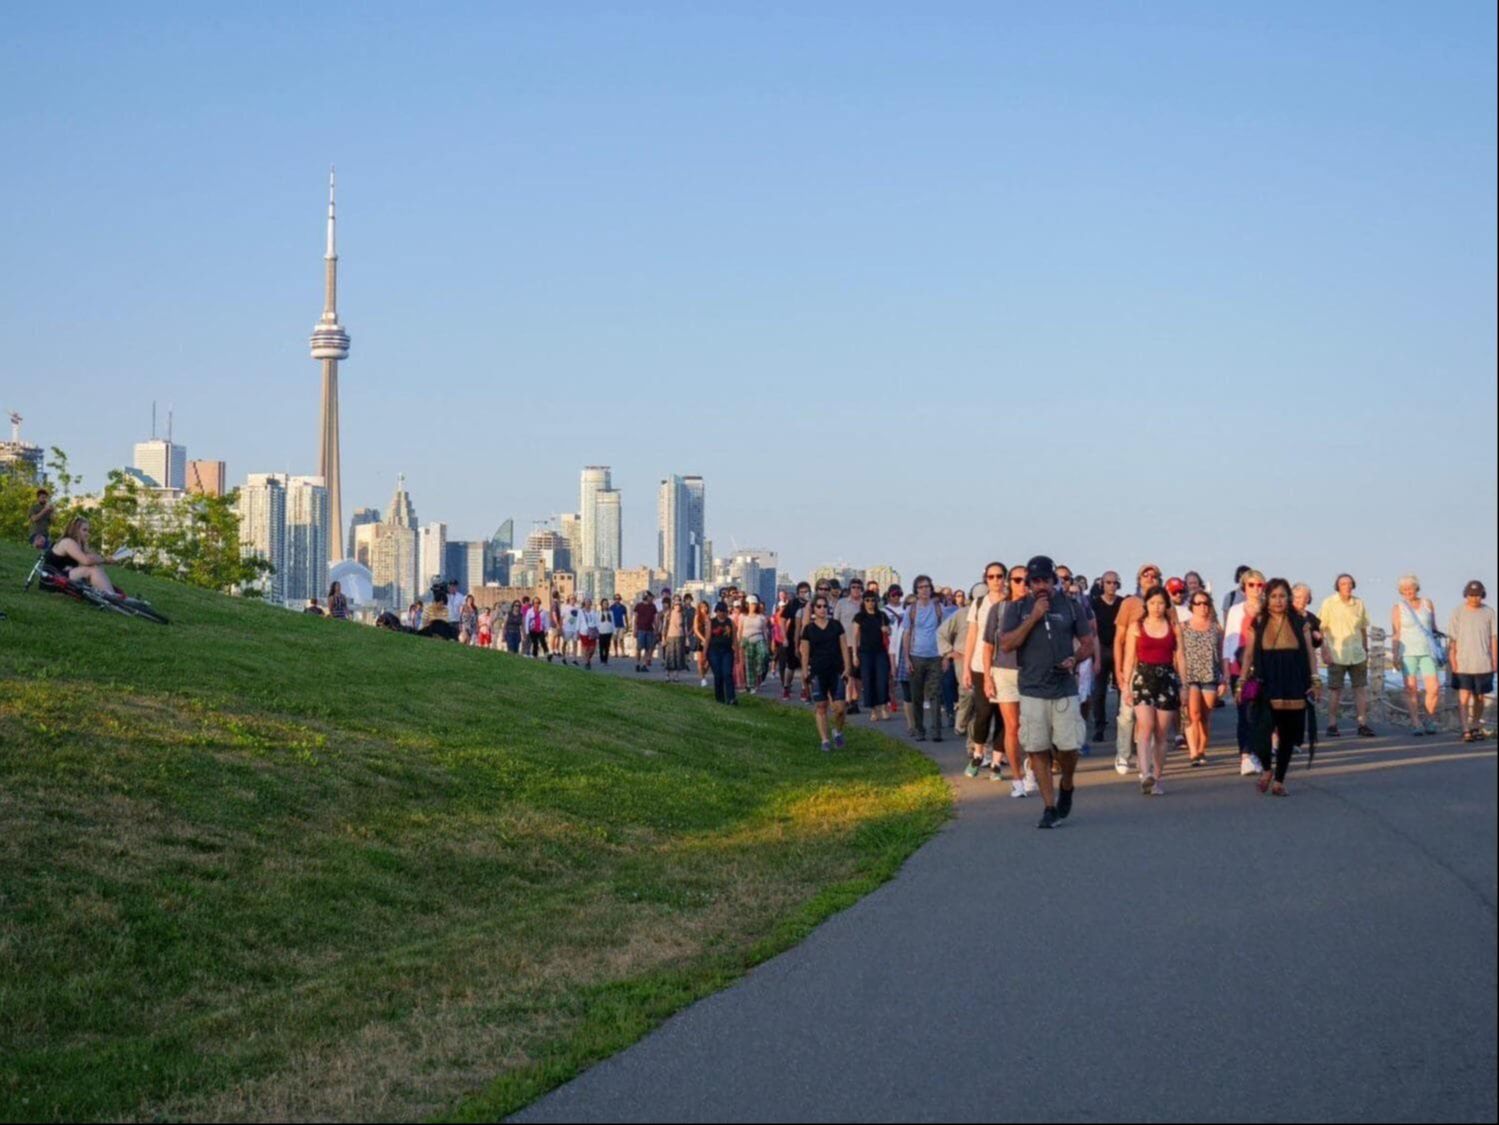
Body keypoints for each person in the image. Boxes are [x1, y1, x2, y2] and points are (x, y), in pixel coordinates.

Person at [999, 556, 1093, 829]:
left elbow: (1088, 643)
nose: (1041, 586)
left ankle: (1067, 784)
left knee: (1069, 747)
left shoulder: (1071, 606)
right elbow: (1006, 644)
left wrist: (1075, 659)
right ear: (1029, 584)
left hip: (1064, 687)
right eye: (1036, 581)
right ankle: (1049, 807)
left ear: (1054, 581)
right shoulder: (1017, 608)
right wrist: (1034, 617)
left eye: (1046, 580)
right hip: (1031, 688)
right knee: (1037, 747)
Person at [1237, 578, 1321, 796]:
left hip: (1294, 682)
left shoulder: (1300, 621)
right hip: (1266, 681)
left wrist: (1315, 680)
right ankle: (1267, 769)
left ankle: (1279, 780)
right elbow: (1248, 654)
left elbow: (1310, 653)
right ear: (1267, 598)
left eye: (1282, 596)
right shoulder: (1258, 622)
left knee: (1287, 735)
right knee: (1260, 732)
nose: (1278, 600)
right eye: (1273, 596)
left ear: (1288, 598)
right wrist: (1241, 681)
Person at [1122, 585, 1187, 795]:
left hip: (1167, 679)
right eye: (1152, 603)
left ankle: (1156, 778)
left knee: (1161, 733)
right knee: (1145, 726)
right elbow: (1129, 658)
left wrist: (1184, 685)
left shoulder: (1174, 627)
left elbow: (1180, 658)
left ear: (1166, 605)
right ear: (1146, 604)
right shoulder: (1137, 626)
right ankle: (1145, 773)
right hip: (1143, 678)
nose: (1156, 607)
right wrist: (1125, 686)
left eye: (1160, 603)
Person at [982, 565, 1037, 798]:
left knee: (1033, 727)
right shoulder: (999, 609)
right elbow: (988, 645)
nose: (1022, 585)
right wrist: (987, 677)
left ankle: (1032, 767)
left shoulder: (1037, 606)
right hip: (1004, 671)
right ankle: (1017, 778)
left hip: (1032, 672)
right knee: (1012, 727)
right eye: (1017, 580)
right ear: (1009, 582)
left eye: (1026, 580)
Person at [1109, 563, 1160, 775]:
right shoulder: (1130, 603)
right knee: (1127, 713)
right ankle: (1123, 754)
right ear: (1139, 579)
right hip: (1132, 666)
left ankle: (1144, 759)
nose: (1149, 578)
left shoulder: (1164, 604)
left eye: (1154, 575)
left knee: (1148, 717)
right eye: (1145, 575)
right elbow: (1119, 639)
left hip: (1156, 667)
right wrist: (1119, 669)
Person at [963, 566, 1008, 781]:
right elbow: (971, 636)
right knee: (983, 712)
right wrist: (966, 668)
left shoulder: (1012, 603)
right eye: (991, 577)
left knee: (1003, 716)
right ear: (986, 579)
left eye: (999, 576)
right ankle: (978, 753)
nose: (995, 580)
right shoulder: (979, 603)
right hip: (980, 665)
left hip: (1006, 666)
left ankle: (996, 762)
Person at [1319, 574, 1376, 738]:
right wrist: (1324, 650)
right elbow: (1321, 628)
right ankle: (1332, 724)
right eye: (1343, 583)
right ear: (1338, 586)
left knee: (1360, 689)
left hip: (1357, 653)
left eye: (1350, 583)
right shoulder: (1329, 603)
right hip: (1337, 653)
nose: (1347, 586)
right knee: (1335, 690)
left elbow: (1363, 628)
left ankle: (1362, 723)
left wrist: (1365, 648)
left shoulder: (1359, 603)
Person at [800, 593, 853, 752]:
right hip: (817, 671)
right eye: (819, 606)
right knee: (821, 706)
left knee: (840, 708)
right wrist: (804, 671)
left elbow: (844, 648)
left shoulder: (836, 625)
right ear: (814, 609)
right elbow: (805, 653)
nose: (822, 609)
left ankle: (837, 731)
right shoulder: (808, 629)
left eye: (825, 606)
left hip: (836, 670)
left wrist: (847, 667)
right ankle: (825, 740)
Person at [1224, 570, 1265, 775]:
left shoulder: (1268, 610)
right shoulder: (1235, 610)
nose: (1256, 589)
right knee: (1245, 713)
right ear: (1244, 587)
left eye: (1259, 585)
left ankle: (1255, 752)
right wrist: (1226, 670)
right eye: (1251, 585)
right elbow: (1228, 641)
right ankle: (1245, 756)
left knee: (1259, 713)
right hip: (1239, 667)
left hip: (1263, 667)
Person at [1391, 574, 1442, 736]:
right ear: (1401, 591)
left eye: (1411, 588)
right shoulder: (1398, 608)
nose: (1408, 592)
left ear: (1416, 588)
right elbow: (1396, 633)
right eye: (1404, 589)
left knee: (1434, 688)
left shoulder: (1427, 603)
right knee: (1410, 689)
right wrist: (1395, 655)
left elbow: (1433, 628)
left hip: (1427, 652)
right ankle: (1415, 722)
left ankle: (1429, 718)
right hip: (1408, 653)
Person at [1181, 590, 1225, 766]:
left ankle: (1201, 750)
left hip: (1210, 675)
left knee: (1205, 716)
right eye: (1198, 603)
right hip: (1190, 675)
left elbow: (1221, 655)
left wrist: (1224, 679)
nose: (1202, 607)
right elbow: (1178, 654)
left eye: (1206, 603)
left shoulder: (1216, 628)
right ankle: (1193, 752)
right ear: (1192, 606)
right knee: (1193, 714)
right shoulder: (1183, 627)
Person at [1449, 581, 1496, 742]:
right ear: (1466, 595)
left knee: (1480, 698)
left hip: (1483, 662)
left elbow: (1494, 637)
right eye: (1471, 595)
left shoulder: (1489, 612)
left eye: (1477, 595)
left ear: (1482, 595)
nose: (1474, 598)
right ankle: (1465, 729)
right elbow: (1453, 639)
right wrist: (1453, 659)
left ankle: (1475, 725)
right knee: (1464, 696)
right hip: (1463, 662)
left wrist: (1495, 660)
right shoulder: (1458, 612)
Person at [901, 576, 945, 742]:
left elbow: (945, 633)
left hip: (935, 656)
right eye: (921, 587)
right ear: (916, 590)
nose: (924, 590)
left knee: (935, 694)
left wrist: (945, 656)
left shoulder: (939, 608)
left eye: (927, 586)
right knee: (917, 696)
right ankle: (920, 729)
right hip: (916, 655)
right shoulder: (911, 610)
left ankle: (936, 730)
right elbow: (906, 634)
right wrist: (906, 658)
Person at [1089, 570, 1125, 743]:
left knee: (1122, 689)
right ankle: (1099, 727)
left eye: (1114, 582)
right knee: (1099, 692)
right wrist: (1096, 657)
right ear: (1102, 584)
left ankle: (1122, 724)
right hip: (1101, 648)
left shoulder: (1122, 603)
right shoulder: (1094, 603)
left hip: (1119, 649)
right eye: (1108, 582)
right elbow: (1092, 631)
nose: (1111, 586)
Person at [43, 517, 119, 594]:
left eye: (88, 531)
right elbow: (86, 561)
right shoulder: (67, 542)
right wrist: (105, 560)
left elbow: (92, 558)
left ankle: (107, 593)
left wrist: (106, 559)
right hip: (51, 579)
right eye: (84, 530)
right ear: (75, 530)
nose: (87, 534)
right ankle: (111, 596)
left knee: (95, 567)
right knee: (92, 570)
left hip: (62, 575)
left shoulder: (79, 544)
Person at [851, 589, 892, 721]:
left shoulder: (882, 615)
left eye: (873, 600)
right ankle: (874, 710)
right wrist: (854, 655)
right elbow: (855, 636)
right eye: (867, 600)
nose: (870, 603)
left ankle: (884, 707)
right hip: (865, 653)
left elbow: (890, 631)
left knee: (882, 680)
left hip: (880, 652)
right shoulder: (859, 617)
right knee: (868, 681)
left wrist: (887, 630)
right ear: (863, 601)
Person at [834, 578, 865, 712]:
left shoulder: (865, 603)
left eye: (858, 587)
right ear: (849, 589)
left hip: (861, 643)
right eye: (853, 587)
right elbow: (835, 622)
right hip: (845, 642)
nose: (856, 589)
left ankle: (854, 699)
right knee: (849, 672)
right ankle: (849, 700)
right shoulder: (842, 603)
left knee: (857, 675)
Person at [705, 601, 740, 704]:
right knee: (718, 674)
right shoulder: (712, 622)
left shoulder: (730, 623)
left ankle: (731, 698)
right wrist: (704, 653)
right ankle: (720, 698)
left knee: (727, 673)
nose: (721, 613)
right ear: (716, 611)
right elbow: (707, 638)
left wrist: (737, 653)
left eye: (723, 611)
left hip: (727, 651)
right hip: (714, 651)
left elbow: (735, 639)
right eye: (719, 611)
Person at [738, 594, 772, 691]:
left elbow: (765, 631)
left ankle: (759, 669)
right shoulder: (742, 616)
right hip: (747, 640)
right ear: (747, 605)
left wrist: (767, 643)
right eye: (751, 604)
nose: (753, 606)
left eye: (755, 604)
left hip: (759, 638)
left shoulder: (761, 617)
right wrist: (739, 642)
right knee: (749, 663)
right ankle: (751, 685)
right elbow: (740, 630)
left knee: (764, 654)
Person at [661, 595, 689, 683]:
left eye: (679, 604)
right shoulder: (668, 614)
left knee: (678, 657)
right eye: (676, 604)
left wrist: (687, 639)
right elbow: (664, 627)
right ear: (673, 604)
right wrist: (663, 638)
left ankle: (676, 676)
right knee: (669, 656)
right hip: (670, 637)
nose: (678, 606)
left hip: (680, 637)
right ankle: (667, 675)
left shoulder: (683, 614)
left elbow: (685, 627)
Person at [633, 592, 658, 673]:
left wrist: (656, 629)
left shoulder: (653, 607)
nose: (652, 599)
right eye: (651, 597)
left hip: (650, 630)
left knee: (648, 648)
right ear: (647, 597)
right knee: (639, 648)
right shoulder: (639, 606)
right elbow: (635, 618)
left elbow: (655, 619)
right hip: (641, 629)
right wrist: (635, 629)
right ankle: (637, 664)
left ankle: (644, 665)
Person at [692, 599, 711, 686]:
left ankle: (703, 673)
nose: (705, 608)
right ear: (699, 608)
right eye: (703, 607)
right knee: (700, 661)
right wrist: (703, 639)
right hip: (700, 639)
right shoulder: (697, 617)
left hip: (708, 640)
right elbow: (695, 629)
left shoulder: (709, 617)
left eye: (706, 607)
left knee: (708, 660)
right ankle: (703, 679)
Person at [579, 597, 599, 669]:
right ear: (584, 603)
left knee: (592, 649)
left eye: (589, 602)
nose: (587, 604)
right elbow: (578, 621)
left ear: (591, 603)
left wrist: (598, 630)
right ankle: (587, 662)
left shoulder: (593, 612)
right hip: (584, 631)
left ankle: (588, 659)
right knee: (585, 647)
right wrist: (577, 631)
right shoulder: (581, 612)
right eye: (586, 602)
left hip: (592, 631)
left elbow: (597, 621)